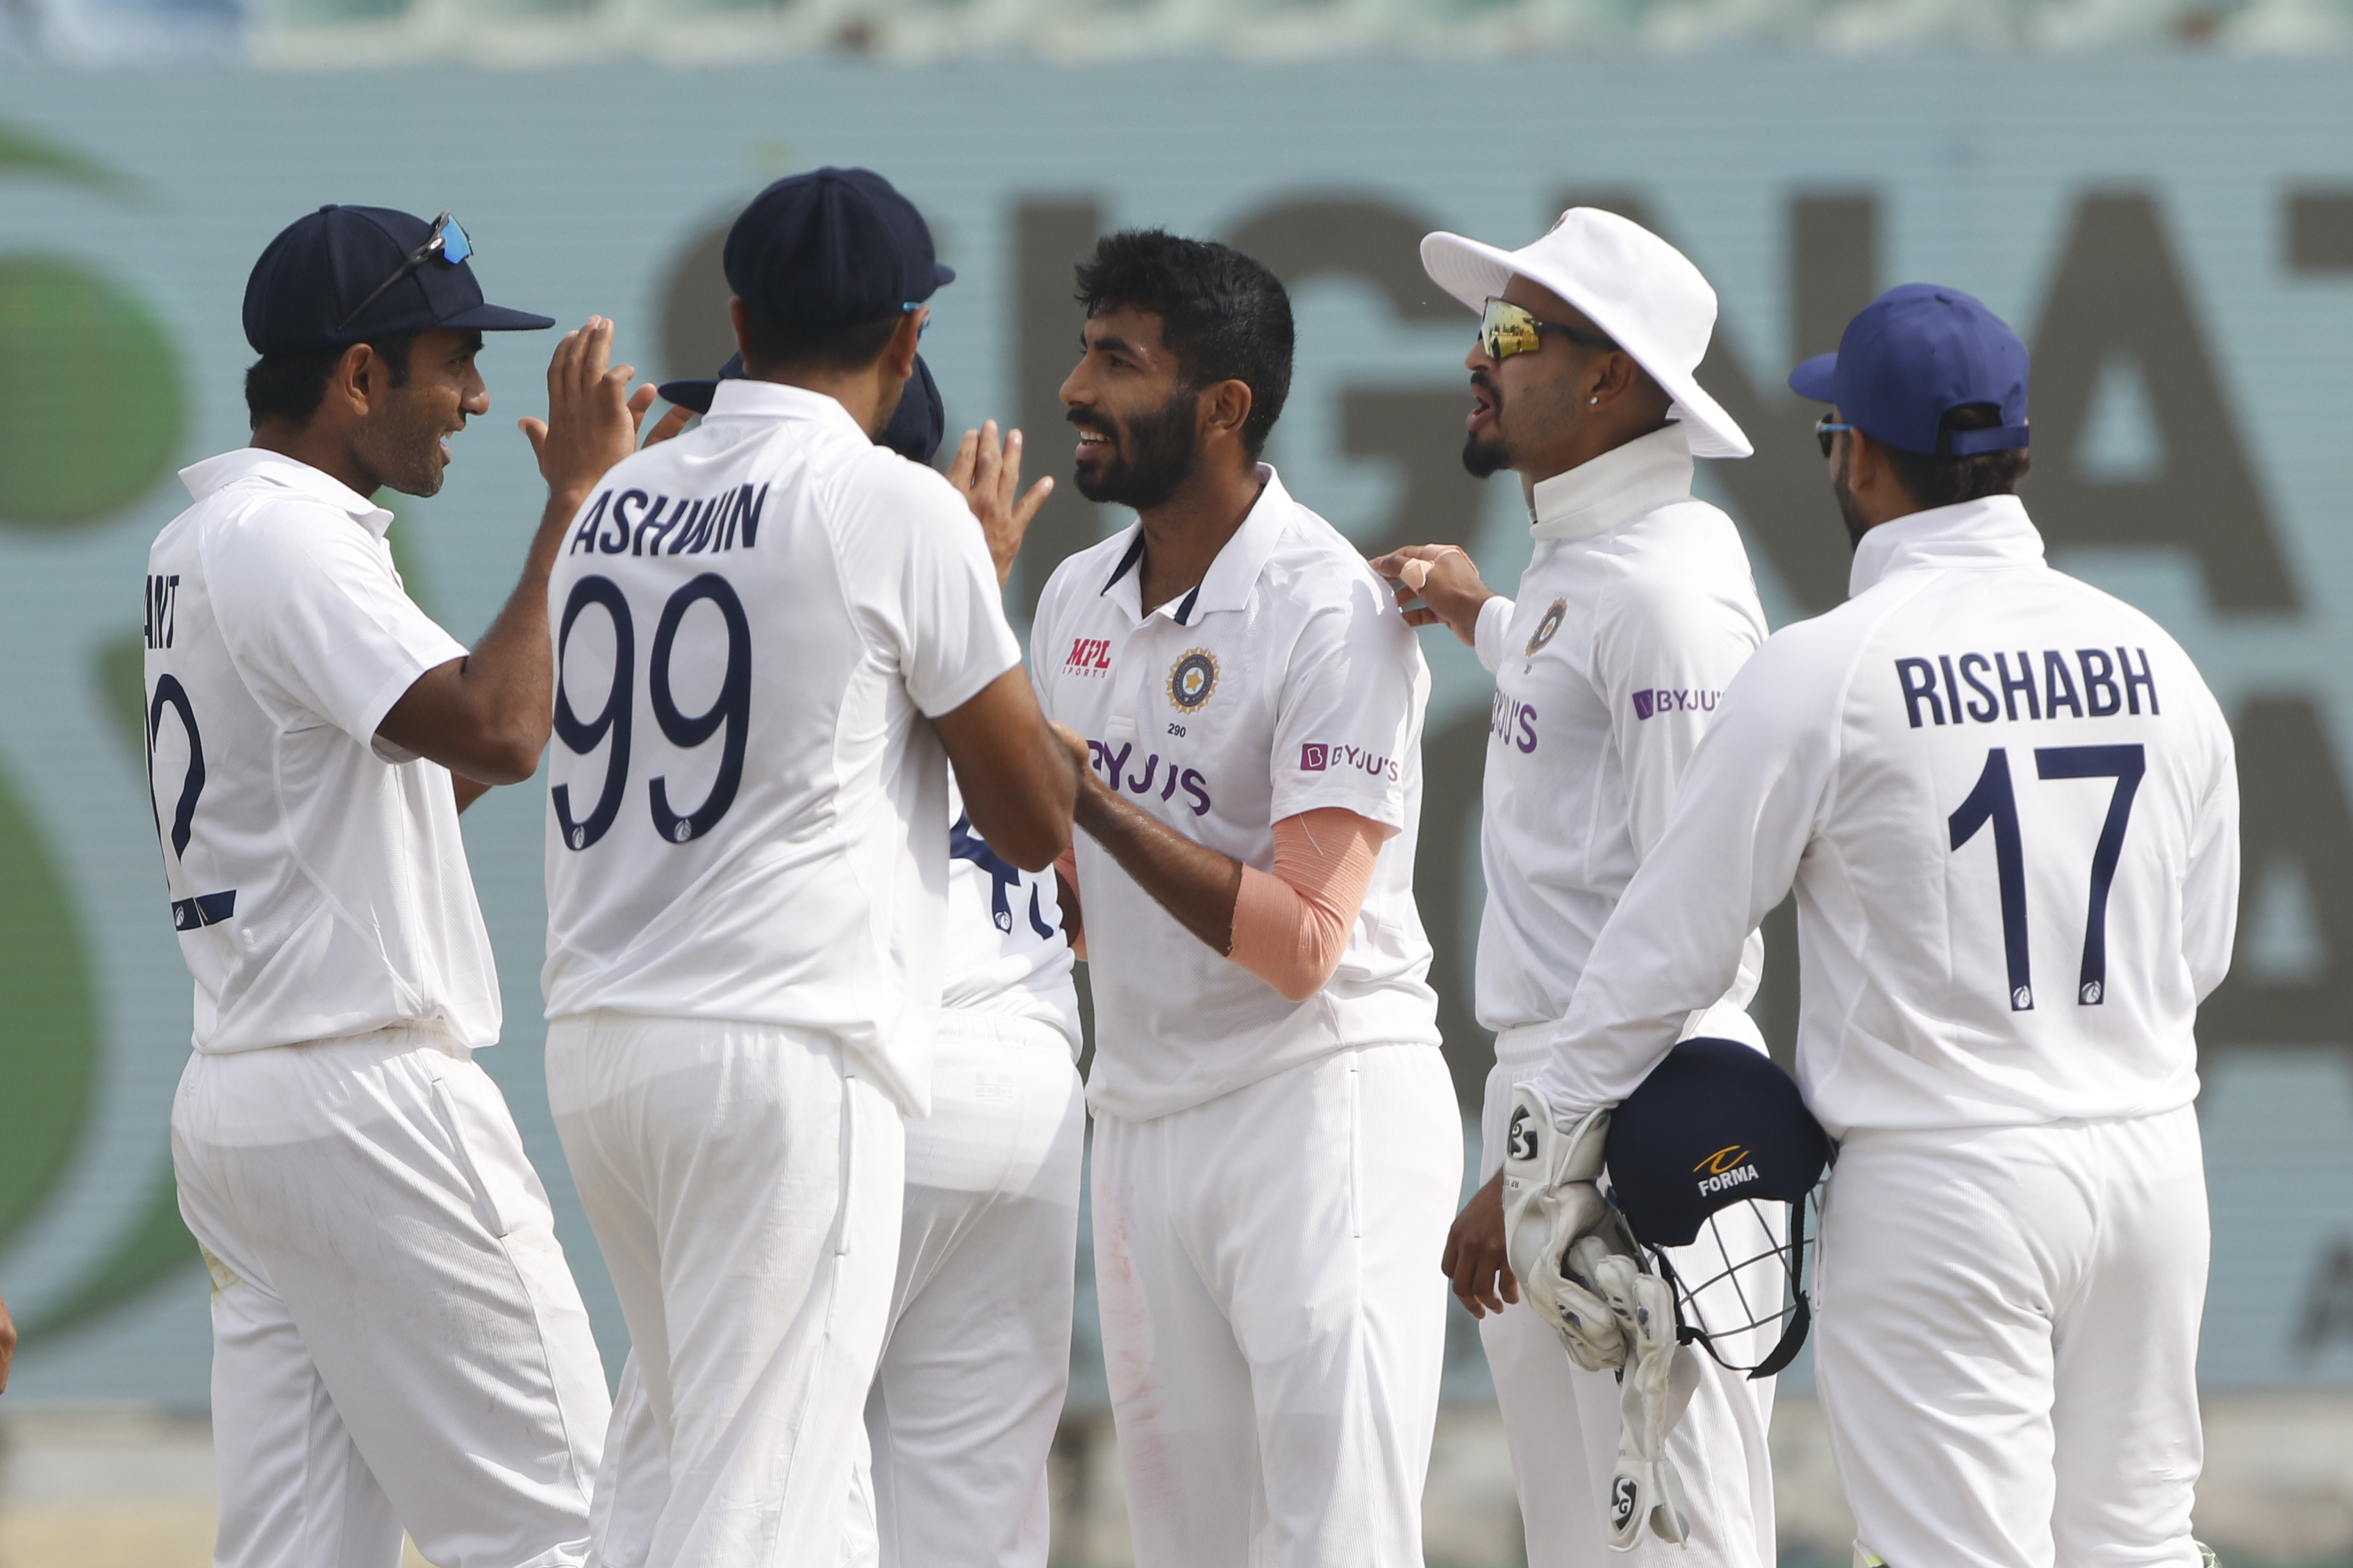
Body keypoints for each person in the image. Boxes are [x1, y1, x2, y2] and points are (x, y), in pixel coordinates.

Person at [1512, 283, 2236, 1568]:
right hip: (2148, 1168)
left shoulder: (1827, 666)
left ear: (1861, 452)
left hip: (1945, 1180)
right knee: (2140, 1542)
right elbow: (2200, 955)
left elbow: (1669, 942)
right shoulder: (2158, 661)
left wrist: (1545, 1147)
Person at [538, 167, 1077, 1568]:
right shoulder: (896, 506)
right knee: (761, 1505)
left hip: (603, 1047)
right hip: (784, 1050)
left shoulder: (610, 502)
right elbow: (1028, 821)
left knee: (675, 1464)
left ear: (736, 317)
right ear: (908, 339)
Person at [149, 203, 664, 1568]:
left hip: (249, 1104)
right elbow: (500, 726)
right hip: (367, 1099)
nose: (478, 397)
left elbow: (396, 792)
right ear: (357, 375)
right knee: (567, 1534)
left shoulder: (201, 538)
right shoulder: (294, 537)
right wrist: (575, 509)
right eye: (451, 362)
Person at [1030, 229, 1456, 1567]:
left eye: (1117, 361)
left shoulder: (1333, 613)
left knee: (1333, 1543)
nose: (1074, 391)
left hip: (1319, 1110)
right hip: (1146, 1122)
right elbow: (1080, 899)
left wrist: (1089, 798)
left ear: (1223, 407)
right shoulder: (1069, 598)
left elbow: (1304, 942)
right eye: (1085, 349)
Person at [1370, 208, 1779, 1566]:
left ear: (1608, 381)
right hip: (1572, 1099)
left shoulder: (1665, 597)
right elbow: (1574, 678)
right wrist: (1477, 610)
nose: (1473, 359)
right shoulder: (1585, 570)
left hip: (1644, 1115)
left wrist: (1539, 1155)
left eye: (1507, 334)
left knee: (1674, 1546)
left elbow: (1693, 922)